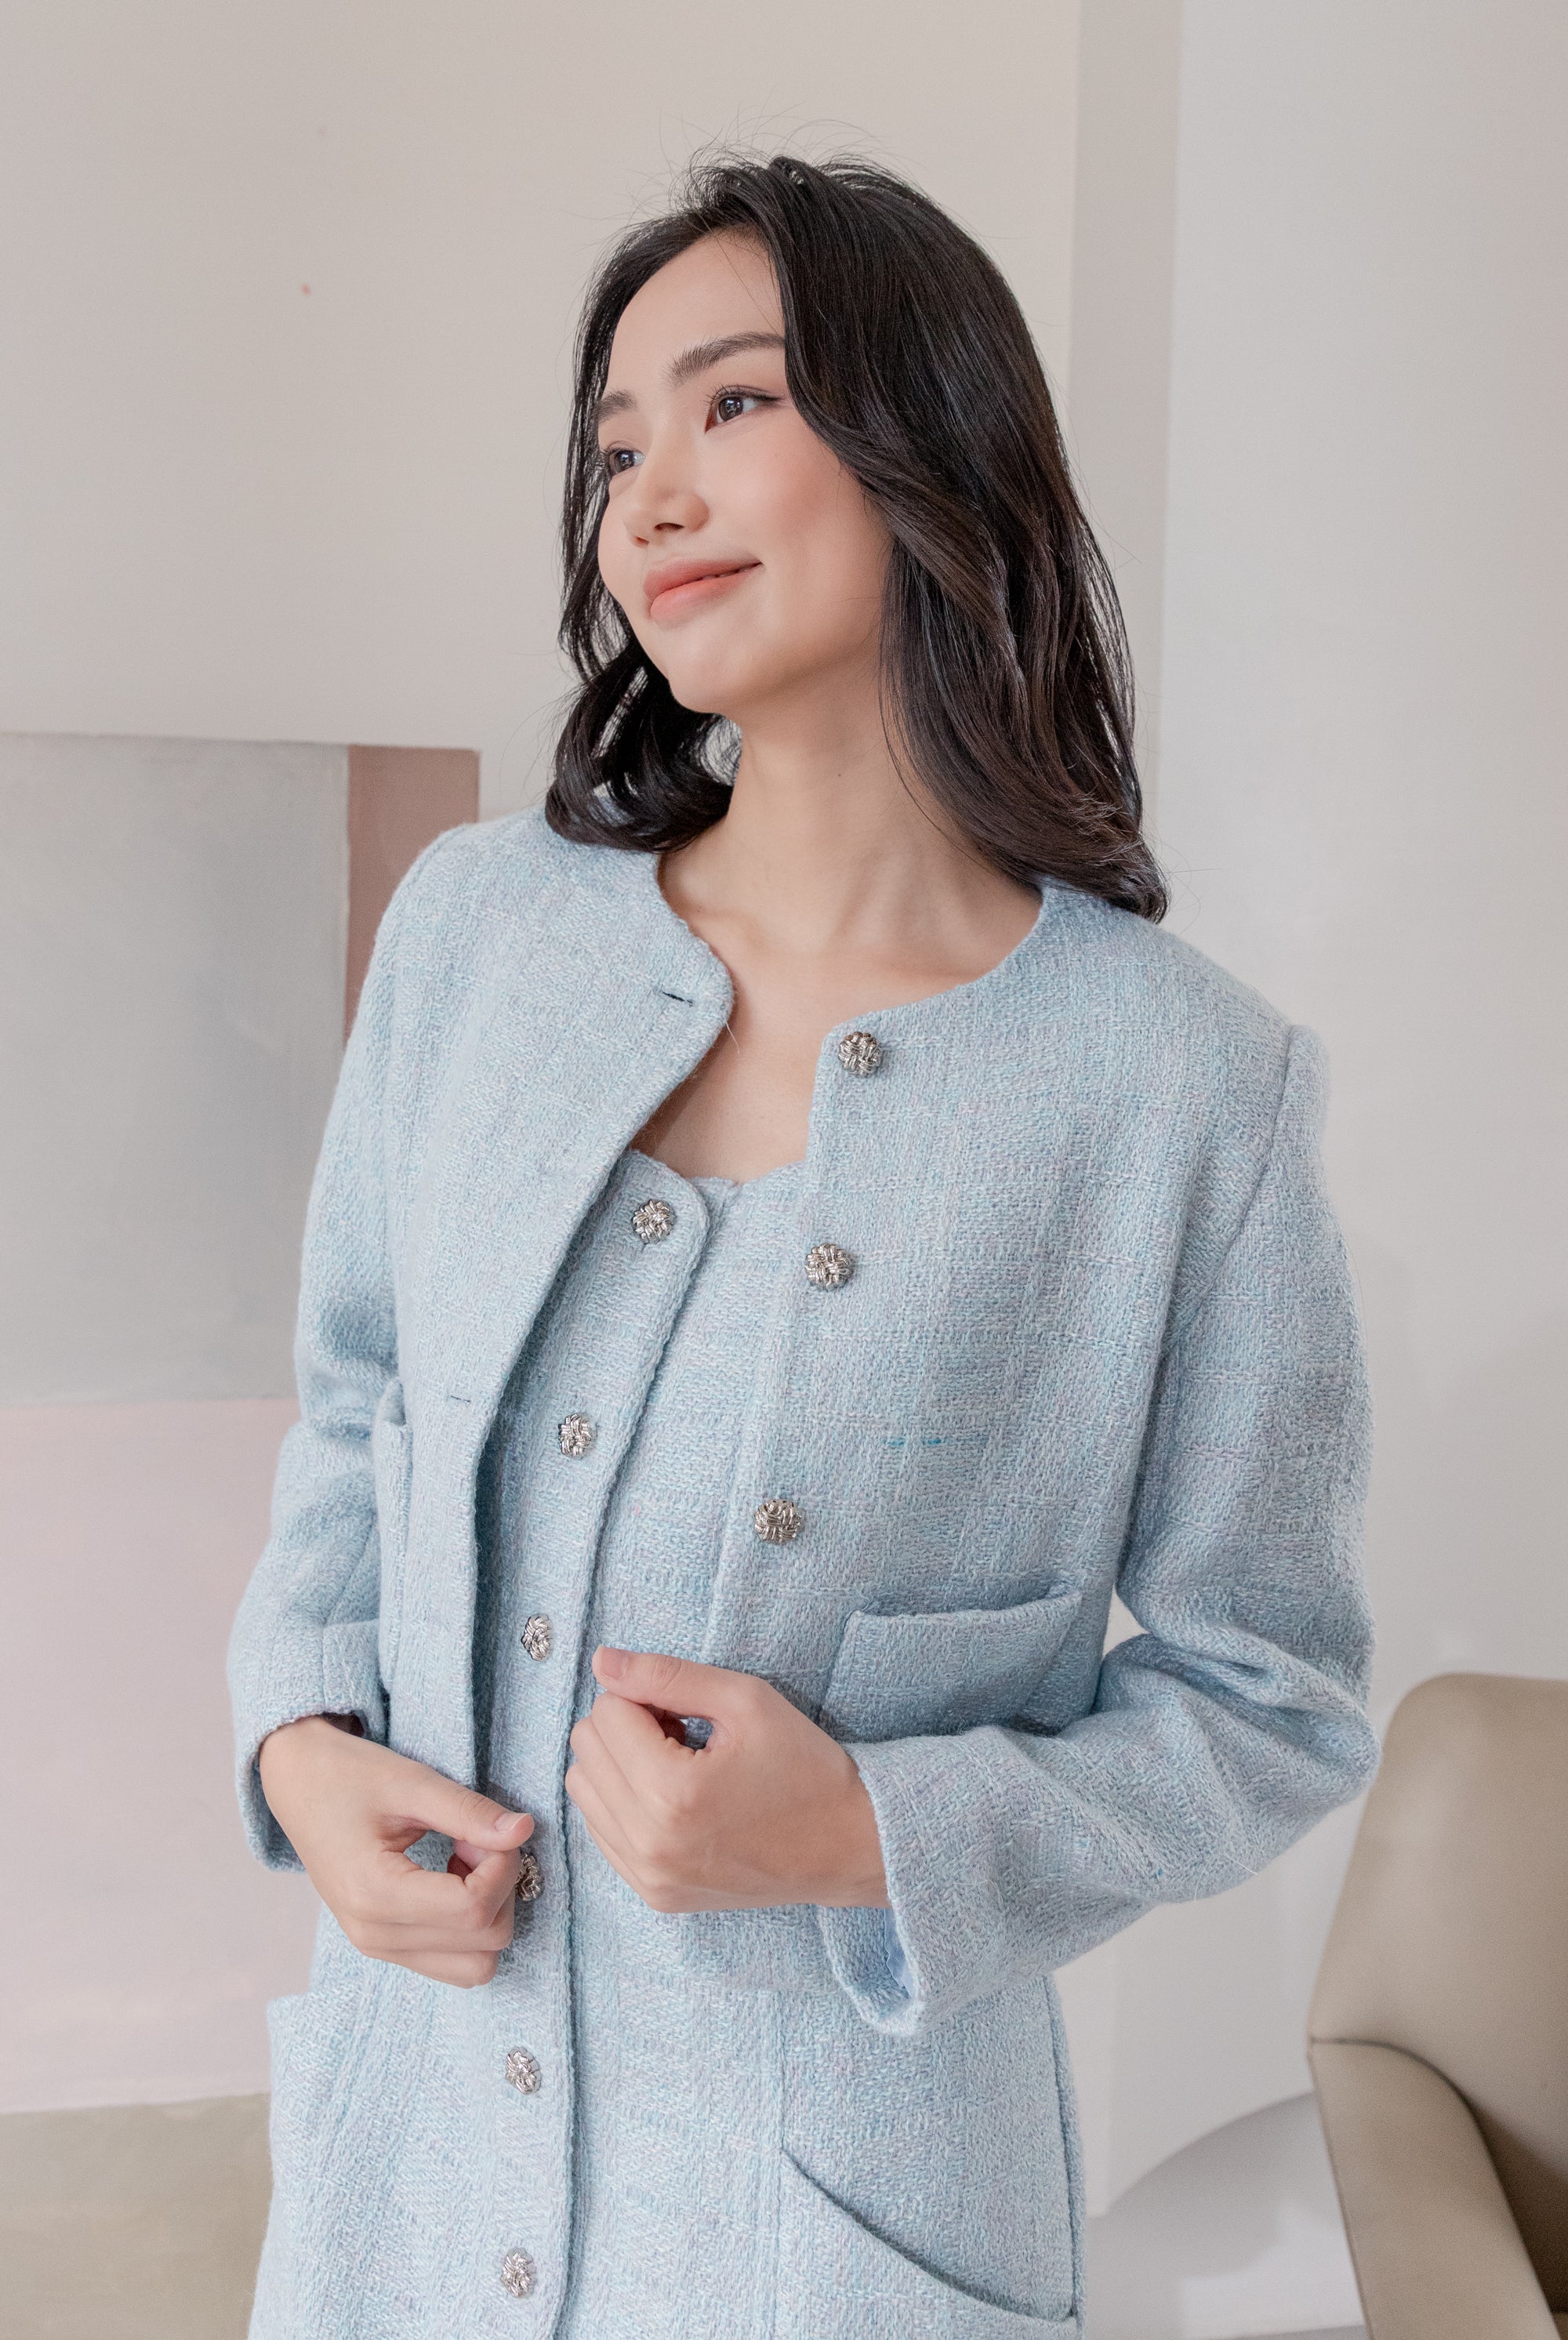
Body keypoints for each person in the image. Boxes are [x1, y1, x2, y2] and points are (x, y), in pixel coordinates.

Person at [230, 152, 1377, 2340]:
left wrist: (864, 1830)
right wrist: (297, 1737)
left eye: (734, 402)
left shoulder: (1180, 1089)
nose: (651, 495)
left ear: (931, 439)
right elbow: (359, 1403)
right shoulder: (477, 935)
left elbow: (1272, 1697)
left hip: (840, 2252)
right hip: (408, 2182)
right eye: (615, 447)